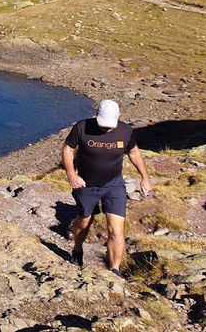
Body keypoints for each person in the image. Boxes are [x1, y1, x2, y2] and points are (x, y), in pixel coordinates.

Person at [61, 99, 152, 277]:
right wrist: (72, 175)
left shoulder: (125, 131)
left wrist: (145, 178)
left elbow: (134, 152)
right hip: (86, 184)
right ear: (96, 114)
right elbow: (68, 149)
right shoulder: (81, 127)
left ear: (119, 116)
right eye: (103, 124)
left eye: (110, 125)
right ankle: (77, 248)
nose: (107, 129)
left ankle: (114, 270)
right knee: (85, 221)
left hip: (114, 184)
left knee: (117, 229)